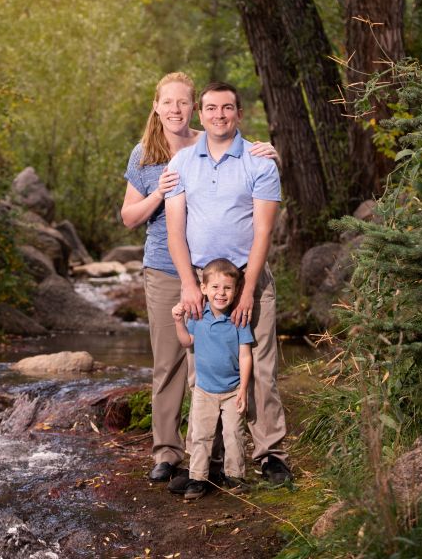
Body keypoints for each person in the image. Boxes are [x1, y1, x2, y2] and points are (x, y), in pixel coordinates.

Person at [121, 73, 277, 484]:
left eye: (183, 102)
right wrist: (160, 191)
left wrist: (268, 152)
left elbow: (239, 154)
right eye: (167, 102)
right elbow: (130, 218)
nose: (175, 109)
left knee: (220, 360)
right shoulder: (148, 156)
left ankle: (221, 454)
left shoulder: (209, 142)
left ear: (193, 109)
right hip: (168, 266)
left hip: (217, 271)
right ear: (156, 106)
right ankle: (171, 453)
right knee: (171, 361)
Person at [164, 81, 293, 485]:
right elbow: (175, 232)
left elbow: (262, 231)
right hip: (202, 283)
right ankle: (208, 461)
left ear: (239, 113)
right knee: (202, 369)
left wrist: (249, 288)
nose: (219, 115)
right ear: (200, 116)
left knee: (261, 369)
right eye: (211, 108)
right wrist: (188, 284)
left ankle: (270, 454)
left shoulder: (259, 163)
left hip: (246, 276)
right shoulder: (182, 164)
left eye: (227, 108)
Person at [171, 258, 252, 500]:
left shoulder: (238, 319)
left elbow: (245, 355)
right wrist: (178, 322)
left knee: (234, 435)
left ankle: (235, 476)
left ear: (236, 291)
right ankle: (197, 478)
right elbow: (187, 342)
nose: (221, 293)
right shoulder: (197, 317)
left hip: (232, 390)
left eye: (227, 288)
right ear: (203, 288)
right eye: (215, 287)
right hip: (204, 390)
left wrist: (243, 389)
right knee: (201, 435)